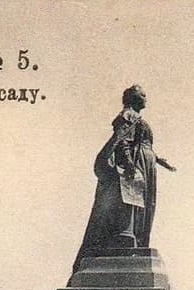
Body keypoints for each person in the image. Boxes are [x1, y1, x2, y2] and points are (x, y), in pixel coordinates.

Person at [73, 85, 176, 272]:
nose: (146, 98)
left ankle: (133, 236)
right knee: (131, 201)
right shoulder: (127, 115)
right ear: (132, 98)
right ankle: (126, 236)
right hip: (135, 165)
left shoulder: (136, 117)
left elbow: (142, 144)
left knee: (142, 206)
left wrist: (158, 159)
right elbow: (122, 142)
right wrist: (129, 164)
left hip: (146, 165)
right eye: (142, 95)